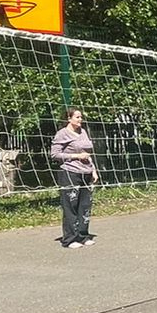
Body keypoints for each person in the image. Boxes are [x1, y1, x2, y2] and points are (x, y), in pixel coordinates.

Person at [49, 107, 97, 249]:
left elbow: (87, 153)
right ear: (69, 119)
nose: (80, 119)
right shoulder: (62, 134)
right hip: (70, 172)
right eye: (77, 117)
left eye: (81, 117)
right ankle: (70, 239)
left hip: (86, 172)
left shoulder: (83, 132)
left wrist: (93, 170)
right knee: (71, 205)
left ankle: (83, 235)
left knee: (85, 205)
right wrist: (76, 156)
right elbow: (55, 154)